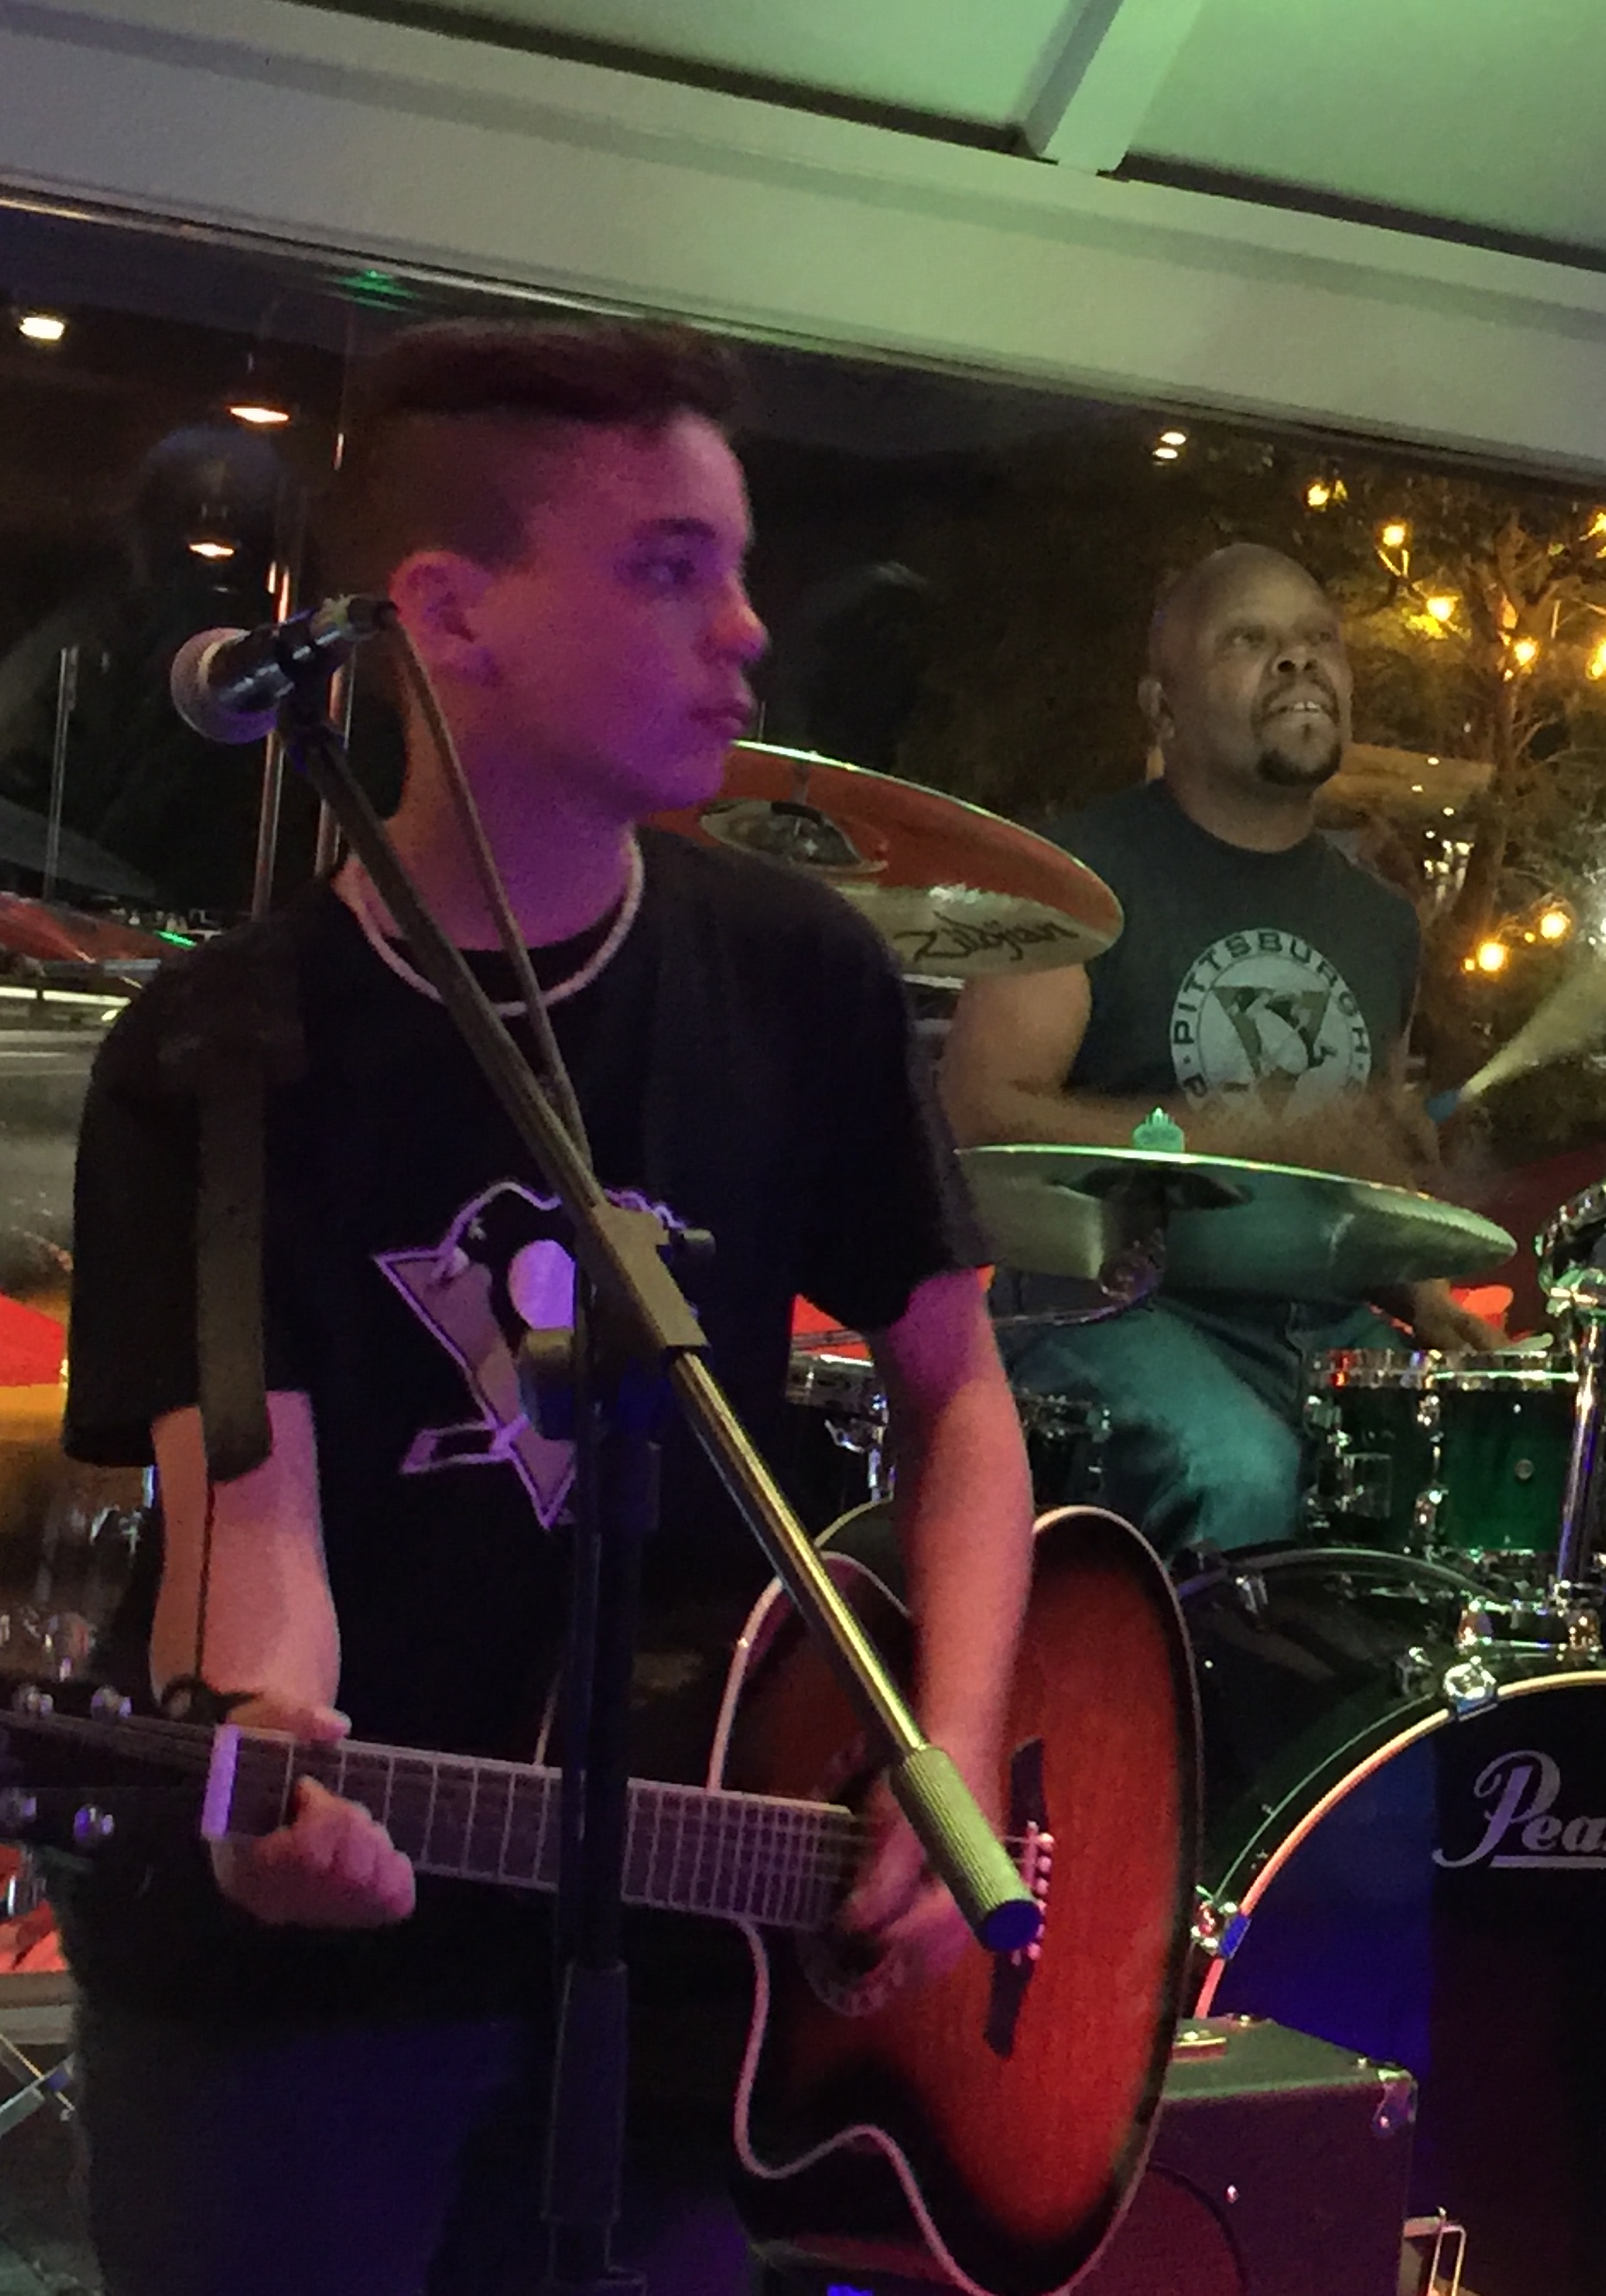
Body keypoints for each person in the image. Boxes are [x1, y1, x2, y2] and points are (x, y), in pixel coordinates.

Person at [53, 319, 1032, 2296]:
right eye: (672, 569)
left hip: (681, 1989)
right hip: (299, 2009)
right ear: (448, 614)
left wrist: (952, 1760)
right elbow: (249, 1522)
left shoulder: (798, 980)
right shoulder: (222, 1053)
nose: (749, 631)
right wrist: (264, 1770)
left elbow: (961, 1402)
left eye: (738, 566)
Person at [942, 542, 1498, 1556]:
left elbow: (1345, 1176)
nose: (1298, 661)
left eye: (1319, 640)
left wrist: (1421, 1291)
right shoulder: (1075, 876)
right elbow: (981, 1112)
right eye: (1249, 641)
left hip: (1316, 1321)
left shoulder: (1381, 921)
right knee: (1238, 1474)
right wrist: (1232, 1133)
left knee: (1475, 1480)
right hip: (1112, 1311)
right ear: (1163, 707)